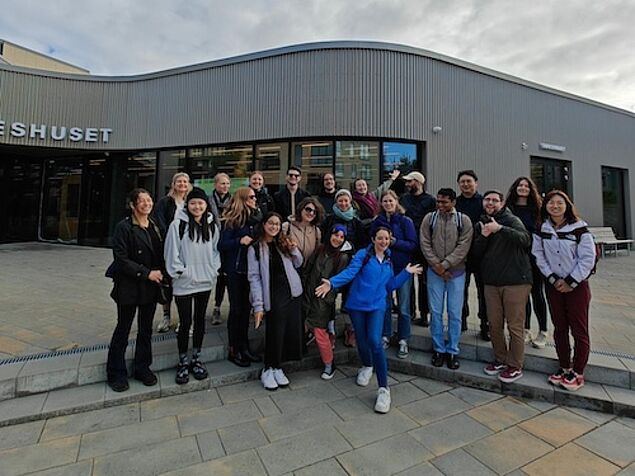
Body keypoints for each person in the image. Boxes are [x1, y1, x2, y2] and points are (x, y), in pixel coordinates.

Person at [315, 227, 422, 413]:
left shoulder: (389, 259)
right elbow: (350, 273)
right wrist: (332, 283)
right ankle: (366, 365)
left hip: (377, 306)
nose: (383, 241)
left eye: (386, 238)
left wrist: (406, 272)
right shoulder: (363, 255)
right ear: (373, 239)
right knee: (362, 340)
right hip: (357, 305)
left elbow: (389, 286)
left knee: (374, 340)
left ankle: (384, 389)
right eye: (380, 238)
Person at [532, 190, 596, 391]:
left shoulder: (579, 228)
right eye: (551, 203)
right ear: (546, 206)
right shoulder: (542, 228)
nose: (555, 206)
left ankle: (577, 372)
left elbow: (587, 259)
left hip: (577, 287)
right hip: (554, 286)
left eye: (560, 203)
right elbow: (538, 255)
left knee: (579, 330)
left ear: (567, 205)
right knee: (559, 328)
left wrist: (570, 281)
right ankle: (564, 366)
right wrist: (552, 278)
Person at [106, 188, 165, 392]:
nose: (147, 204)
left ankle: (142, 367)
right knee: (123, 328)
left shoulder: (155, 225)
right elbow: (121, 259)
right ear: (132, 205)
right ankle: (116, 372)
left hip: (150, 286)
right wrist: (146, 273)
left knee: (145, 329)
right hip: (129, 285)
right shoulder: (124, 227)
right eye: (142, 201)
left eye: (149, 200)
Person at [471, 190, 532, 383]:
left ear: (502, 203)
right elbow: (476, 252)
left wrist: (500, 229)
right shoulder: (481, 222)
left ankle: (515, 365)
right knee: (494, 324)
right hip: (491, 281)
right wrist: (483, 236)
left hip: (515, 281)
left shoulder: (511, 219)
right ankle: (500, 358)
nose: (490, 203)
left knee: (515, 325)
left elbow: (525, 240)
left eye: (494, 200)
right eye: (487, 200)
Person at [164, 187, 221, 384]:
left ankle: (196, 357)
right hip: (184, 283)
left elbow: (215, 250)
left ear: (206, 205)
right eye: (193, 203)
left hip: (205, 281)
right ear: (187, 205)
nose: (197, 206)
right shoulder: (178, 225)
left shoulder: (212, 225)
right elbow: (171, 252)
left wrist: (213, 269)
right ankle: (182, 361)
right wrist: (181, 272)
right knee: (185, 322)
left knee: (199, 321)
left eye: (201, 203)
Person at [248, 212, 304, 390]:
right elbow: (254, 277)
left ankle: (278, 367)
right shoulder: (255, 247)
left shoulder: (283, 243)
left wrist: (294, 249)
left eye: (277, 224)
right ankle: (268, 368)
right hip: (272, 294)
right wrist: (258, 305)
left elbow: (299, 263)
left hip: (292, 291)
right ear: (264, 224)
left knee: (289, 331)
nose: (274, 227)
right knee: (275, 332)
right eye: (271, 223)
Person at [420, 188, 473, 370]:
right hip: (435, 272)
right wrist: (437, 266)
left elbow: (463, 245)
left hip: (456, 273)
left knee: (454, 313)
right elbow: (425, 242)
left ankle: (452, 350)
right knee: (435, 312)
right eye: (438, 201)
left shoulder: (463, 221)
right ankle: (438, 348)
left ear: (453, 202)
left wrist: (447, 264)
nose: (440, 205)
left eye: (444, 202)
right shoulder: (430, 219)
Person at [370, 190, 417, 359]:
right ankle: (386, 335)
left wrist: (395, 242)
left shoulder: (405, 221)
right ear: (381, 203)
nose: (388, 204)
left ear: (396, 201)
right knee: (386, 304)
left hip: (403, 269)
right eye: (385, 201)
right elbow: (372, 241)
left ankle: (403, 339)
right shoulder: (378, 221)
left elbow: (412, 245)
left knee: (404, 306)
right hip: (384, 269)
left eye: (391, 200)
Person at [219, 187, 263, 367]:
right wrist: (239, 241)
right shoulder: (232, 220)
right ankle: (233, 348)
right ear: (243, 199)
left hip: (251, 271)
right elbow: (222, 244)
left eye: (255, 197)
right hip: (235, 270)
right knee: (236, 310)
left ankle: (244, 347)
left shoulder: (257, 218)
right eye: (251, 197)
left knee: (246, 310)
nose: (255, 199)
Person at [302, 225, 351, 379]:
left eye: (342, 237)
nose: (338, 239)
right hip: (308, 294)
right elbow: (308, 269)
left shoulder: (342, 257)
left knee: (319, 332)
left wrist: (328, 298)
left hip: (324, 300)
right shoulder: (320, 249)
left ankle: (329, 364)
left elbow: (339, 282)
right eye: (336, 235)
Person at [506, 177, 549, 348]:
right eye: (520, 185)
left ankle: (543, 331)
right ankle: (525, 329)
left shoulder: (538, 209)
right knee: (522, 296)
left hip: (534, 257)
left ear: (531, 189)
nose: (523, 188)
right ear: (515, 188)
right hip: (515, 257)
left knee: (537, 294)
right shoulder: (509, 208)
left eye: (526, 186)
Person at [153, 172, 192, 333]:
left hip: (188, 249)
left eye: (185, 181)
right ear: (173, 184)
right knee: (167, 283)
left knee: (186, 284)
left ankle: (185, 320)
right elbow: (159, 222)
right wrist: (171, 239)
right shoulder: (165, 202)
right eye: (179, 181)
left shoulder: (191, 202)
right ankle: (166, 316)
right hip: (169, 247)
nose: (182, 184)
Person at [400, 171, 437, 327]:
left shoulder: (430, 201)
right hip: (408, 246)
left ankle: (424, 314)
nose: (408, 184)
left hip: (424, 247)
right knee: (407, 282)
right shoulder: (403, 199)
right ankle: (409, 312)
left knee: (424, 283)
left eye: (410, 181)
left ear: (419, 182)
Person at [456, 170, 489, 340]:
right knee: (460, 290)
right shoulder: (456, 203)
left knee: (483, 292)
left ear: (476, 183)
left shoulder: (484, 202)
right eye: (462, 182)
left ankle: (485, 324)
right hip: (461, 254)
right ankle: (461, 320)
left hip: (482, 255)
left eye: (469, 181)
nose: (466, 184)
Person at [209, 173, 232, 326]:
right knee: (218, 277)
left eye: (227, 184)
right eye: (222, 183)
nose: (225, 186)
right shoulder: (208, 200)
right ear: (216, 184)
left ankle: (229, 308)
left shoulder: (233, 200)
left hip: (228, 241)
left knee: (227, 276)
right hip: (212, 241)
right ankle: (216, 306)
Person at [281, 197, 324, 267]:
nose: (311, 213)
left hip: (308, 272)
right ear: (301, 208)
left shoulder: (317, 231)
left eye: (315, 212)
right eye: (308, 209)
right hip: (290, 269)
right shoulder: (287, 227)